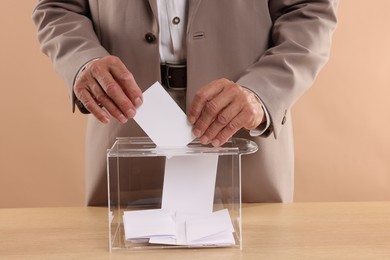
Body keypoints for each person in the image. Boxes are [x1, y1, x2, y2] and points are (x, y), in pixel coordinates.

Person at [33, 0, 338, 206]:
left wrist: (263, 92)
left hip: (240, 127)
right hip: (125, 126)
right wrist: (83, 61)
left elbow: (311, 10)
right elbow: (58, 7)